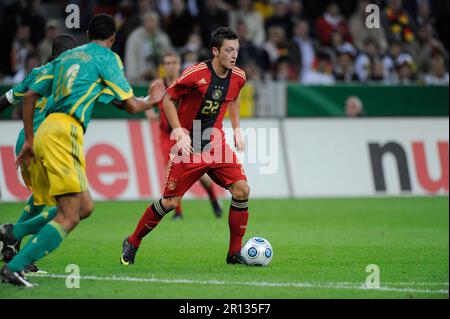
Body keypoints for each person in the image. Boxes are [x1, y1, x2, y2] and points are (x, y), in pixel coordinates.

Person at [0, 13, 165, 287]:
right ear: (112, 39)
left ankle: (15, 234)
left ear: (87, 35)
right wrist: (153, 100)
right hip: (66, 132)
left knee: (85, 206)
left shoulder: (66, 57)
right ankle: (15, 264)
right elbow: (131, 105)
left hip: (43, 132)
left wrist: (29, 139)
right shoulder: (107, 58)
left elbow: (29, 95)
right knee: (68, 215)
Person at [121, 27, 250, 266]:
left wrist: (237, 129)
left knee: (242, 190)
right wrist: (179, 130)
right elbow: (169, 98)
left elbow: (235, 95)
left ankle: (234, 253)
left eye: (237, 50)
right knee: (170, 203)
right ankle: (132, 241)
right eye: (229, 50)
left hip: (215, 141)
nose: (234, 55)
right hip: (188, 143)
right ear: (215, 51)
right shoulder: (196, 74)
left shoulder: (239, 76)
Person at [0, 35, 78, 274]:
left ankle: (10, 245)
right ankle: (16, 242)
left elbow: (5, 100)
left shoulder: (37, 73)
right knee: (72, 206)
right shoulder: (71, 75)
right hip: (46, 143)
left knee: (39, 199)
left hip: (24, 142)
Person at [147, 51, 223, 219]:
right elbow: (148, 103)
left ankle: (214, 201)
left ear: (179, 64)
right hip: (166, 135)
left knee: (200, 175)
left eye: (174, 62)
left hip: (188, 134)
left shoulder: (188, 81)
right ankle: (178, 213)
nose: (171, 66)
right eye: (167, 63)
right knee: (171, 171)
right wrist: (150, 114)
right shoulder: (157, 85)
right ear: (163, 66)